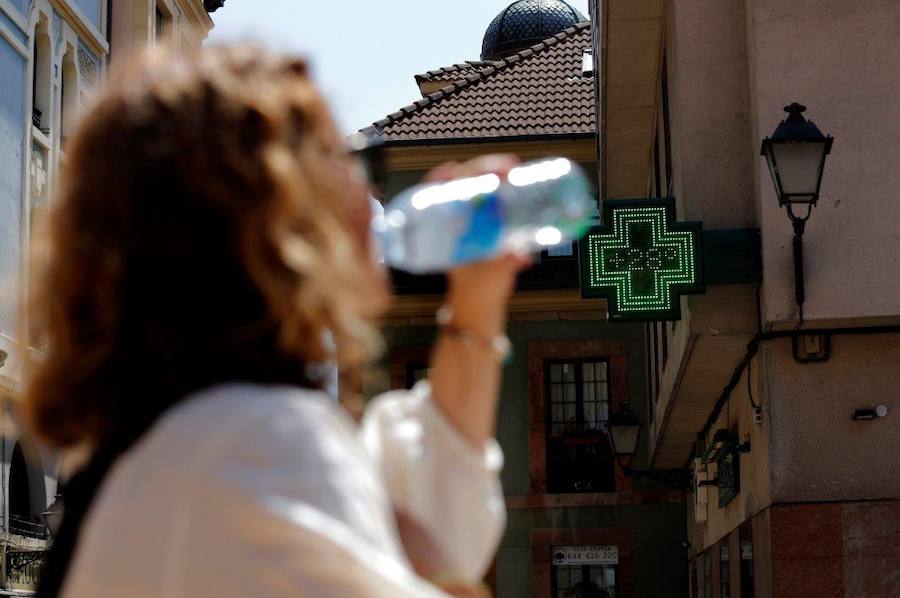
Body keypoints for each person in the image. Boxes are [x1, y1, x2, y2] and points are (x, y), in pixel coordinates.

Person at [23, 44, 529, 597]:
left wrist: (478, 299)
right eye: (351, 160)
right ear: (281, 211)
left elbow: (426, 501)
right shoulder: (253, 439)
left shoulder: (197, 436)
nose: (373, 192)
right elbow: (420, 537)